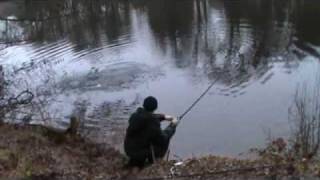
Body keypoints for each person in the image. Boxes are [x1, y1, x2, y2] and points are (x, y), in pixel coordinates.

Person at [124, 96, 178, 168]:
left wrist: (164, 117)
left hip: (128, 149)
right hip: (138, 153)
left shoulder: (135, 115)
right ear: (155, 107)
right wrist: (173, 125)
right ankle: (153, 162)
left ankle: (135, 161)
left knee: (148, 139)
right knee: (163, 142)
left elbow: (147, 116)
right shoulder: (152, 123)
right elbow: (162, 139)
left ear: (143, 105)